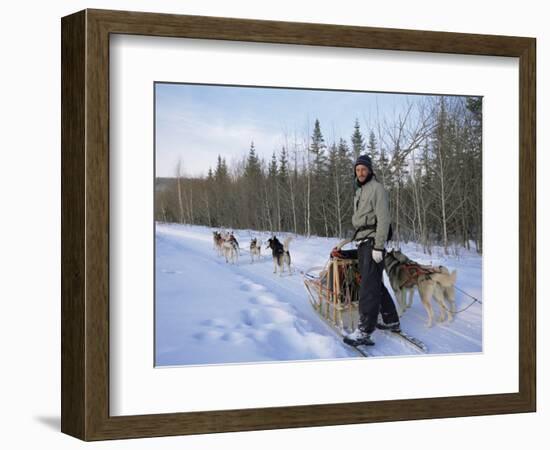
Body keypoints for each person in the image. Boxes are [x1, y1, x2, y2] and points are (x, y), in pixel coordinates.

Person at [343, 154, 401, 347]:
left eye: (363, 169)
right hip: (362, 241)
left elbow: (383, 219)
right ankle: (391, 318)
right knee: (375, 283)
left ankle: (364, 330)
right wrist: (344, 243)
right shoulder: (359, 191)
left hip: (372, 243)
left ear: (370, 170)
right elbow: (360, 225)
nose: (360, 173)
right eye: (357, 170)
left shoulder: (377, 189)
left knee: (368, 287)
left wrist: (378, 245)